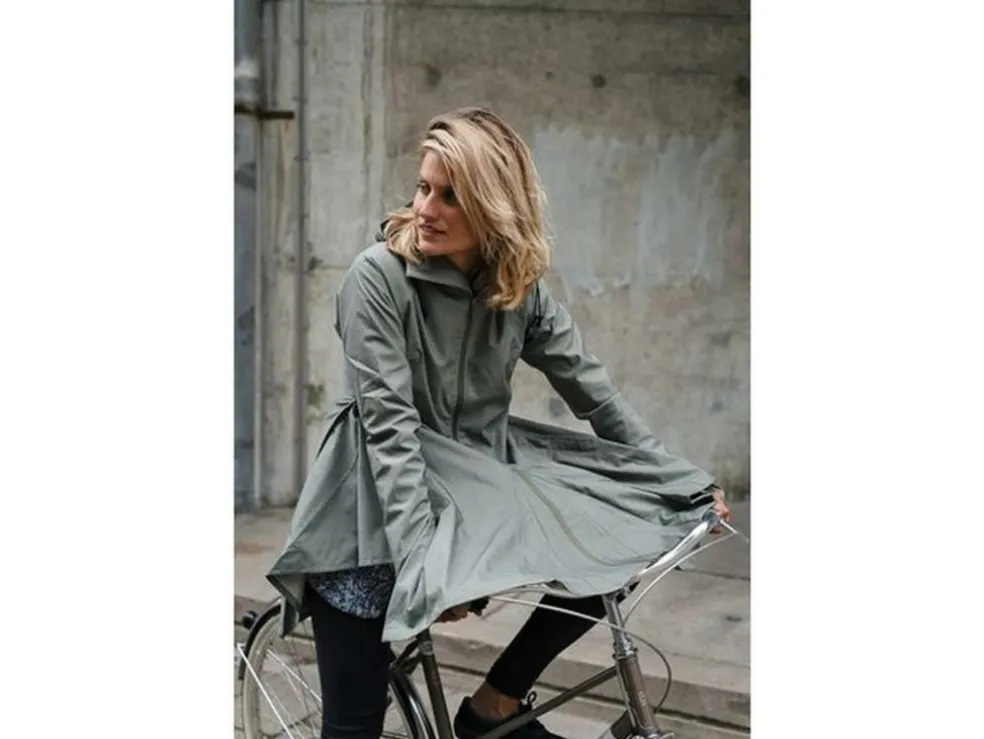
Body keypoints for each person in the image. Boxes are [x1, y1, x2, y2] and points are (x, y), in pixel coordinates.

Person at [273, 107, 730, 739]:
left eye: (450, 196)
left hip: (473, 491)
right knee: (353, 728)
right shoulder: (377, 279)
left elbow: (591, 388)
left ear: (494, 207)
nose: (425, 209)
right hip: (369, 513)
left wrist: (677, 481)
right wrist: (429, 571)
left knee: (612, 540)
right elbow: (390, 433)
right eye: (423, 188)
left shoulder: (519, 288)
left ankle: (494, 705)